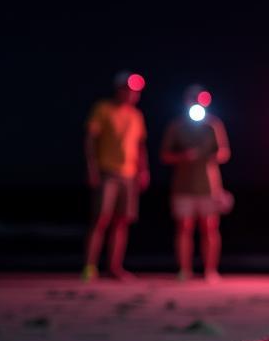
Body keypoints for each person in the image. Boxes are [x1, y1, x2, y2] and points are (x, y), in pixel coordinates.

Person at [160, 85, 232, 282]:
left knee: (210, 227)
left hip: (209, 185)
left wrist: (208, 155)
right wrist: (184, 156)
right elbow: (165, 155)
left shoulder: (213, 125)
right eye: (193, 99)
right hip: (183, 185)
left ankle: (210, 270)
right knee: (184, 227)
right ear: (186, 101)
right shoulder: (176, 125)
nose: (197, 102)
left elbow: (224, 152)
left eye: (201, 99)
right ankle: (184, 269)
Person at [83, 72, 149, 281]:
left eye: (136, 91)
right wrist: (91, 168)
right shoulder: (103, 108)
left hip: (129, 174)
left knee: (122, 221)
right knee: (101, 218)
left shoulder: (136, 115)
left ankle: (115, 266)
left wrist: (143, 170)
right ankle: (90, 266)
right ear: (119, 89)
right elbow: (90, 139)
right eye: (128, 89)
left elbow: (140, 146)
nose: (132, 94)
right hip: (107, 172)